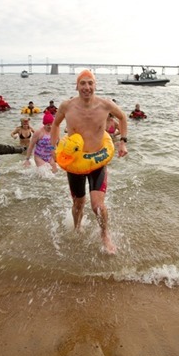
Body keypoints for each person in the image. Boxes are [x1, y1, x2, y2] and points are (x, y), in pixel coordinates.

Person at [50, 69, 128, 254]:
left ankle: (105, 235)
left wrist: (123, 143)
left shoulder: (105, 105)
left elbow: (123, 118)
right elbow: (55, 125)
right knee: (79, 204)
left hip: (97, 162)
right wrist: (55, 149)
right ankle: (77, 229)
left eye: (90, 83)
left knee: (98, 206)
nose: (87, 87)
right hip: (75, 164)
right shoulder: (66, 107)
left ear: (95, 85)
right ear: (77, 86)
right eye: (83, 83)